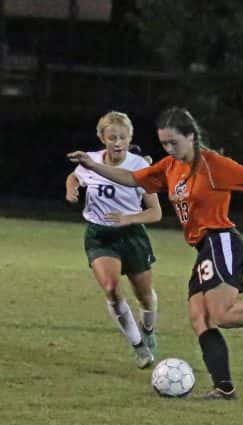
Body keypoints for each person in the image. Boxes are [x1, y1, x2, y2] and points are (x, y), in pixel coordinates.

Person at [68, 107, 243, 400]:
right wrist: (92, 166)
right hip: (203, 247)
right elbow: (132, 178)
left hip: (220, 240)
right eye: (164, 144)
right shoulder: (170, 167)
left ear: (191, 137)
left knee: (220, 313)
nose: (169, 149)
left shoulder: (213, 165)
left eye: (174, 143)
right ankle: (224, 388)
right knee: (200, 318)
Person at [65, 111, 162, 369]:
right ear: (102, 138)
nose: (117, 143)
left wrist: (128, 218)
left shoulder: (140, 166)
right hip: (99, 235)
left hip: (132, 235)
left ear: (130, 138)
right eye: (112, 137)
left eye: (122, 137)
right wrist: (71, 186)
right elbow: (75, 175)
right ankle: (138, 346)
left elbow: (156, 212)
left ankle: (149, 330)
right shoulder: (91, 160)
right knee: (111, 287)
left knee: (145, 297)